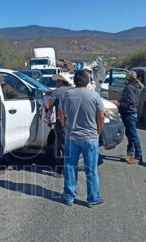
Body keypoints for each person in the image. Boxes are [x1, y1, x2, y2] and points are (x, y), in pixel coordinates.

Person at [59, 69, 105, 207]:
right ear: (87, 80)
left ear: (75, 81)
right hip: (90, 137)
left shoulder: (67, 94)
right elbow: (101, 116)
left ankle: (69, 197)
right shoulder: (95, 96)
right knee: (91, 169)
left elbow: (61, 113)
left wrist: (65, 126)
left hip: (72, 137)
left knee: (70, 167)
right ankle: (93, 199)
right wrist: (98, 132)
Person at [45, 72, 74, 175]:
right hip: (74, 121)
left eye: (57, 81)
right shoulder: (73, 90)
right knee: (65, 144)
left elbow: (48, 105)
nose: (56, 83)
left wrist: (47, 97)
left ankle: (61, 168)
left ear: (61, 81)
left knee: (60, 144)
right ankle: (66, 168)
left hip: (61, 121)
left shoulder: (57, 92)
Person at [113, 71, 143, 164]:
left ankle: (138, 156)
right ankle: (130, 153)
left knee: (133, 135)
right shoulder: (136, 86)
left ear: (128, 78)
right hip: (131, 112)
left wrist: (119, 103)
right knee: (129, 134)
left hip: (129, 113)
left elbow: (131, 101)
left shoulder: (129, 87)